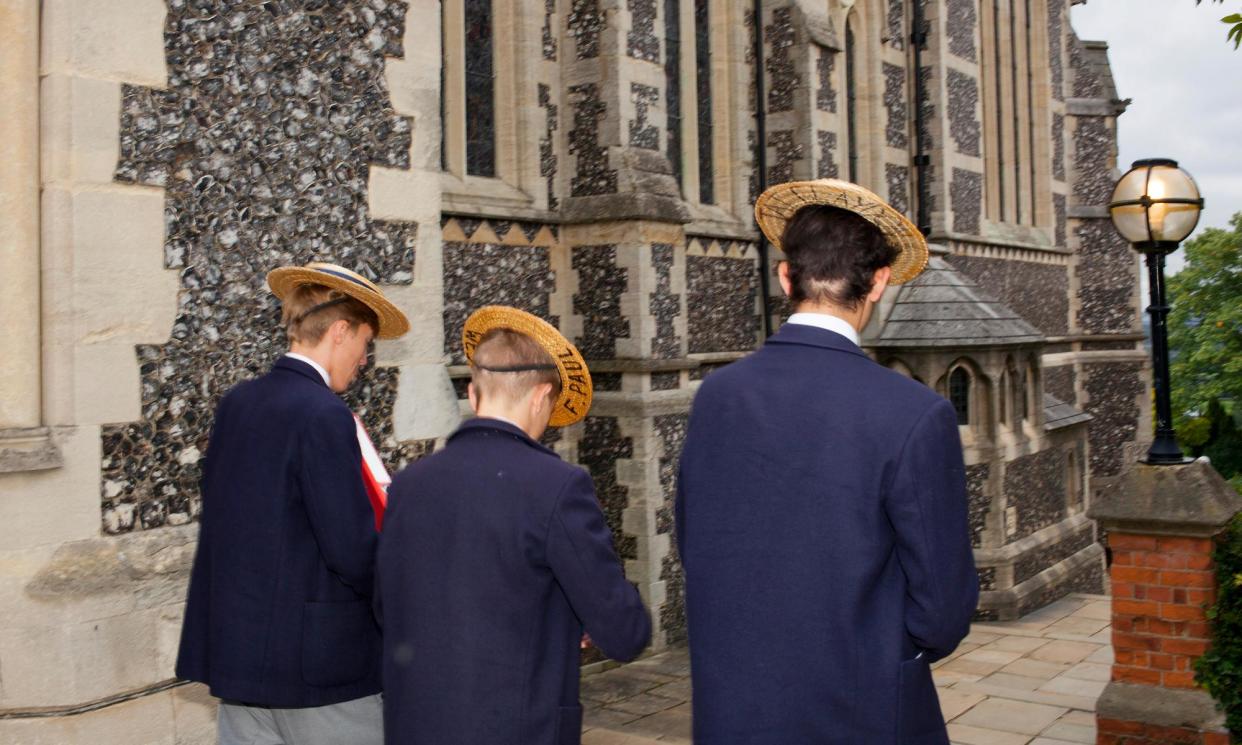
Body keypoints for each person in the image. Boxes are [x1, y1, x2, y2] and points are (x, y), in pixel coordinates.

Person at [676, 180, 980, 744]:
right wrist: (885, 648)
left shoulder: (717, 396)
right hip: (859, 711)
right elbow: (942, 608)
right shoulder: (915, 414)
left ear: (786, 277)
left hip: (734, 709)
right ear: (880, 282)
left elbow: (697, 545)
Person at [377, 306, 651, 745]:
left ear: (473, 391)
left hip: (416, 726)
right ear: (542, 396)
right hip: (517, 728)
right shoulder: (559, 486)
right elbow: (623, 631)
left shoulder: (409, 486)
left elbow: (388, 606)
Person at [177, 262, 410, 745]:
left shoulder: (238, 402)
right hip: (320, 670)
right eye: (367, 342)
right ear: (341, 332)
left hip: (241, 656)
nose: (365, 359)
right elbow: (351, 548)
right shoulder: (324, 413)